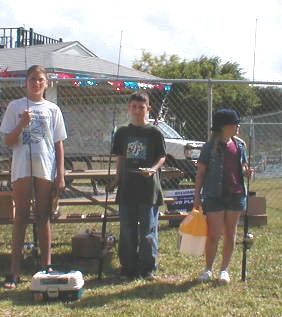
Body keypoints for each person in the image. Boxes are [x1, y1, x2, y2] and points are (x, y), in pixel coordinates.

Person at [0, 65, 67, 288]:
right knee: (20, 218)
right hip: (21, 169)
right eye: (32, 79)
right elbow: (8, 141)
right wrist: (22, 123)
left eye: (40, 80)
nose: (36, 83)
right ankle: (14, 271)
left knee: (43, 216)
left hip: (45, 169)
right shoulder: (15, 106)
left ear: (46, 83)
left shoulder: (53, 109)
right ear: (25, 82)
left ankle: (46, 266)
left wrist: (61, 174)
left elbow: (58, 144)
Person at [108, 92, 166, 280]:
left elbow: (162, 156)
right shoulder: (122, 132)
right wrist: (117, 179)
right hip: (127, 189)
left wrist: (152, 169)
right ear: (129, 108)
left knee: (148, 229)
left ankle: (148, 267)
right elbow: (120, 158)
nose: (137, 110)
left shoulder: (155, 133)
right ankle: (128, 267)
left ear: (148, 109)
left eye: (141, 107)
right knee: (127, 229)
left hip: (149, 190)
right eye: (134, 107)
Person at [193, 108, 253, 284]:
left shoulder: (240, 145)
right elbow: (201, 172)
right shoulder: (209, 147)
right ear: (224, 126)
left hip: (236, 194)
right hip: (214, 195)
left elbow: (242, 167)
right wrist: (197, 196)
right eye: (235, 123)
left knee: (230, 233)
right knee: (214, 234)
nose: (238, 126)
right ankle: (208, 269)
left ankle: (224, 270)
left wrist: (247, 172)